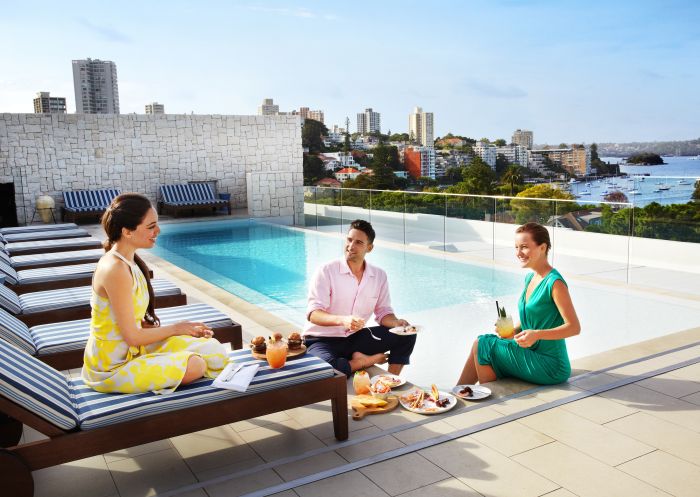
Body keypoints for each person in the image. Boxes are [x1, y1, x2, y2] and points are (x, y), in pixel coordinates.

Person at [82, 193, 227, 394]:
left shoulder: (129, 261)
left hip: (134, 350)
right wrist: (177, 328)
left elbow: (132, 324)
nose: (157, 230)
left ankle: (165, 362)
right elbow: (132, 337)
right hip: (112, 368)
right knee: (195, 365)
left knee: (212, 349)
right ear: (127, 232)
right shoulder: (114, 269)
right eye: (151, 227)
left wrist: (187, 329)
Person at [457, 222, 581, 386]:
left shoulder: (555, 283)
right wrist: (512, 330)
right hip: (529, 352)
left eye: (524, 247)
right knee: (480, 342)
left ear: (542, 248)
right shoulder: (530, 278)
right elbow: (530, 319)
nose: (518, 253)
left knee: (483, 344)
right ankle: (458, 391)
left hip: (551, 365)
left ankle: (488, 397)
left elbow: (574, 327)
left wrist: (536, 334)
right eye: (516, 247)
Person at [303, 219, 416, 377]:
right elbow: (313, 313)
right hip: (321, 340)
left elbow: (383, 312)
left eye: (358, 242)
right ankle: (362, 361)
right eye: (349, 240)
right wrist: (343, 320)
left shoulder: (379, 276)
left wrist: (396, 323)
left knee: (406, 335)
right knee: (327, 372)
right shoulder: (326, 271)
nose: (351, 246)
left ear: (369, 248)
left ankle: (390, 381)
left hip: (354, 339)